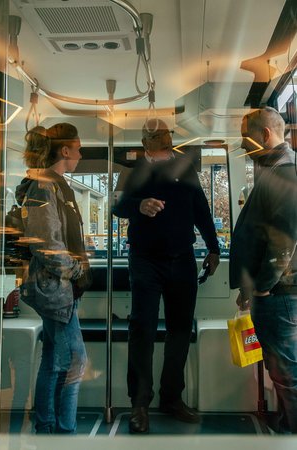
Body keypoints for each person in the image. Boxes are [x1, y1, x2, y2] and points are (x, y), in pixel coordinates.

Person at [113, 118, 220, 433]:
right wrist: (139, 204)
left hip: (183, 259)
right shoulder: (131, 172)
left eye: (168, 139)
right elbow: (116, 206)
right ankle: (140, 404)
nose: (165, 145)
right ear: (145, 143)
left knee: (180, 330)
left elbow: (201, 209)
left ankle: (172, 398)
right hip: (145, 260)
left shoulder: (185, 169)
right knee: (142, 330)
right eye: (158, 140)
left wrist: (213, 249)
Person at [16, 123, 90, 434]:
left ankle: (46, 426)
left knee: (53, 359)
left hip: (61, 287)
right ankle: (63, 430)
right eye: (77, 147)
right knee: (75, 362)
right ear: (64, 151)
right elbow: (45, 243)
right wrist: (75, 271)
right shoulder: (44, 187)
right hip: (55, 288)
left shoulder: (58, 185)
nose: (81, 153)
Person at [229, 107, 297, 434]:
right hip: (272, 292)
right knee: (280, 369)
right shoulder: (276, 173)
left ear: (266, 136)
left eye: (248, 141)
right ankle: (285, 425)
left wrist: (263, 287)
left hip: (279, 294)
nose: (246, 149)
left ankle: (290, 433)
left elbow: (284, 241)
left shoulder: (285, 174)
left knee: (287, 373)